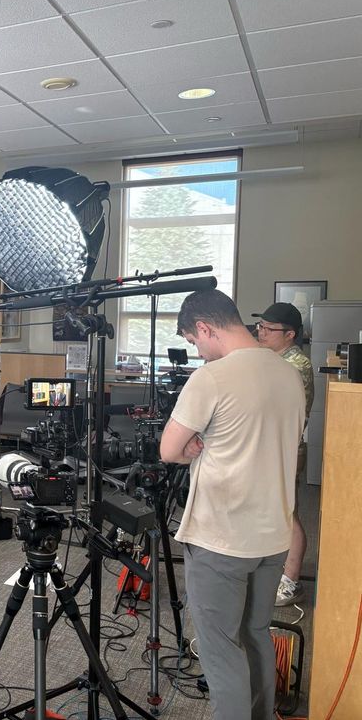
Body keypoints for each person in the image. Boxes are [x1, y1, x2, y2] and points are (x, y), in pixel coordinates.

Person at [160, 290, 304, 720]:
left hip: (221, 535)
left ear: (205, 328)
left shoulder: (212, 378)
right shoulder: (289, 373)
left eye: (194, 340)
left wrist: (193, 448)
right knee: (256, 634)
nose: (197, 350)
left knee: (220, 649)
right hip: (272, 535)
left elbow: (169, 449)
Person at [252, 302, 314, 607]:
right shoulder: (273, 357)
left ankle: (291, 582)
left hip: (285, 448)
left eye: (268, 328)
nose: (260, 332)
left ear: (289, 334)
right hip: (268, 445)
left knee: (288, 515)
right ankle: (274, 571)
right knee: (271, 511)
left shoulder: (296, 364)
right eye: (260, 326)